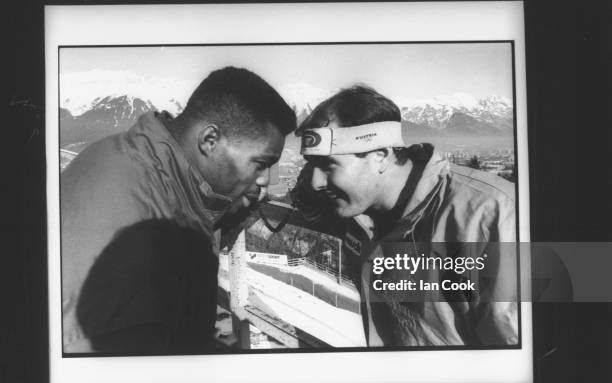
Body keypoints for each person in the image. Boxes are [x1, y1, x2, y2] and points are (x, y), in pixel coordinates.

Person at [61, 67, 296, 354]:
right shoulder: (138, 225)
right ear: (209, 140)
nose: (264, 181)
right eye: (260, 164)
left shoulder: (148, 166)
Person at [292, 85, 517, 346]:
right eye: (311, 166)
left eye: (328, 165)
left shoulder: (491, 215)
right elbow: (306, 197)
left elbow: (514, 350)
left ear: (380, 156)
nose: (316, 182)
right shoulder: (355, 210)